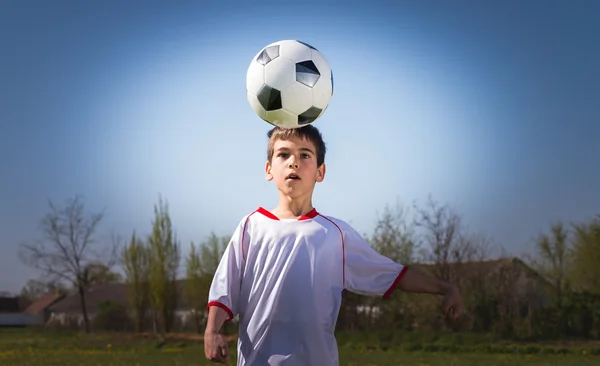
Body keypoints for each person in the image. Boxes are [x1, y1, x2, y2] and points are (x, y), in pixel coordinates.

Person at [204, 125, 463, 365]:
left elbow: (394, 274)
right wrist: (212, 329)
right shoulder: (251, 225)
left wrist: (445, 288)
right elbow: (224, 289)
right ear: (269, 169)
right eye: (283, 154)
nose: (293, 161)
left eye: (305, 155)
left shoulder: (336, 234)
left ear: (320, 172)